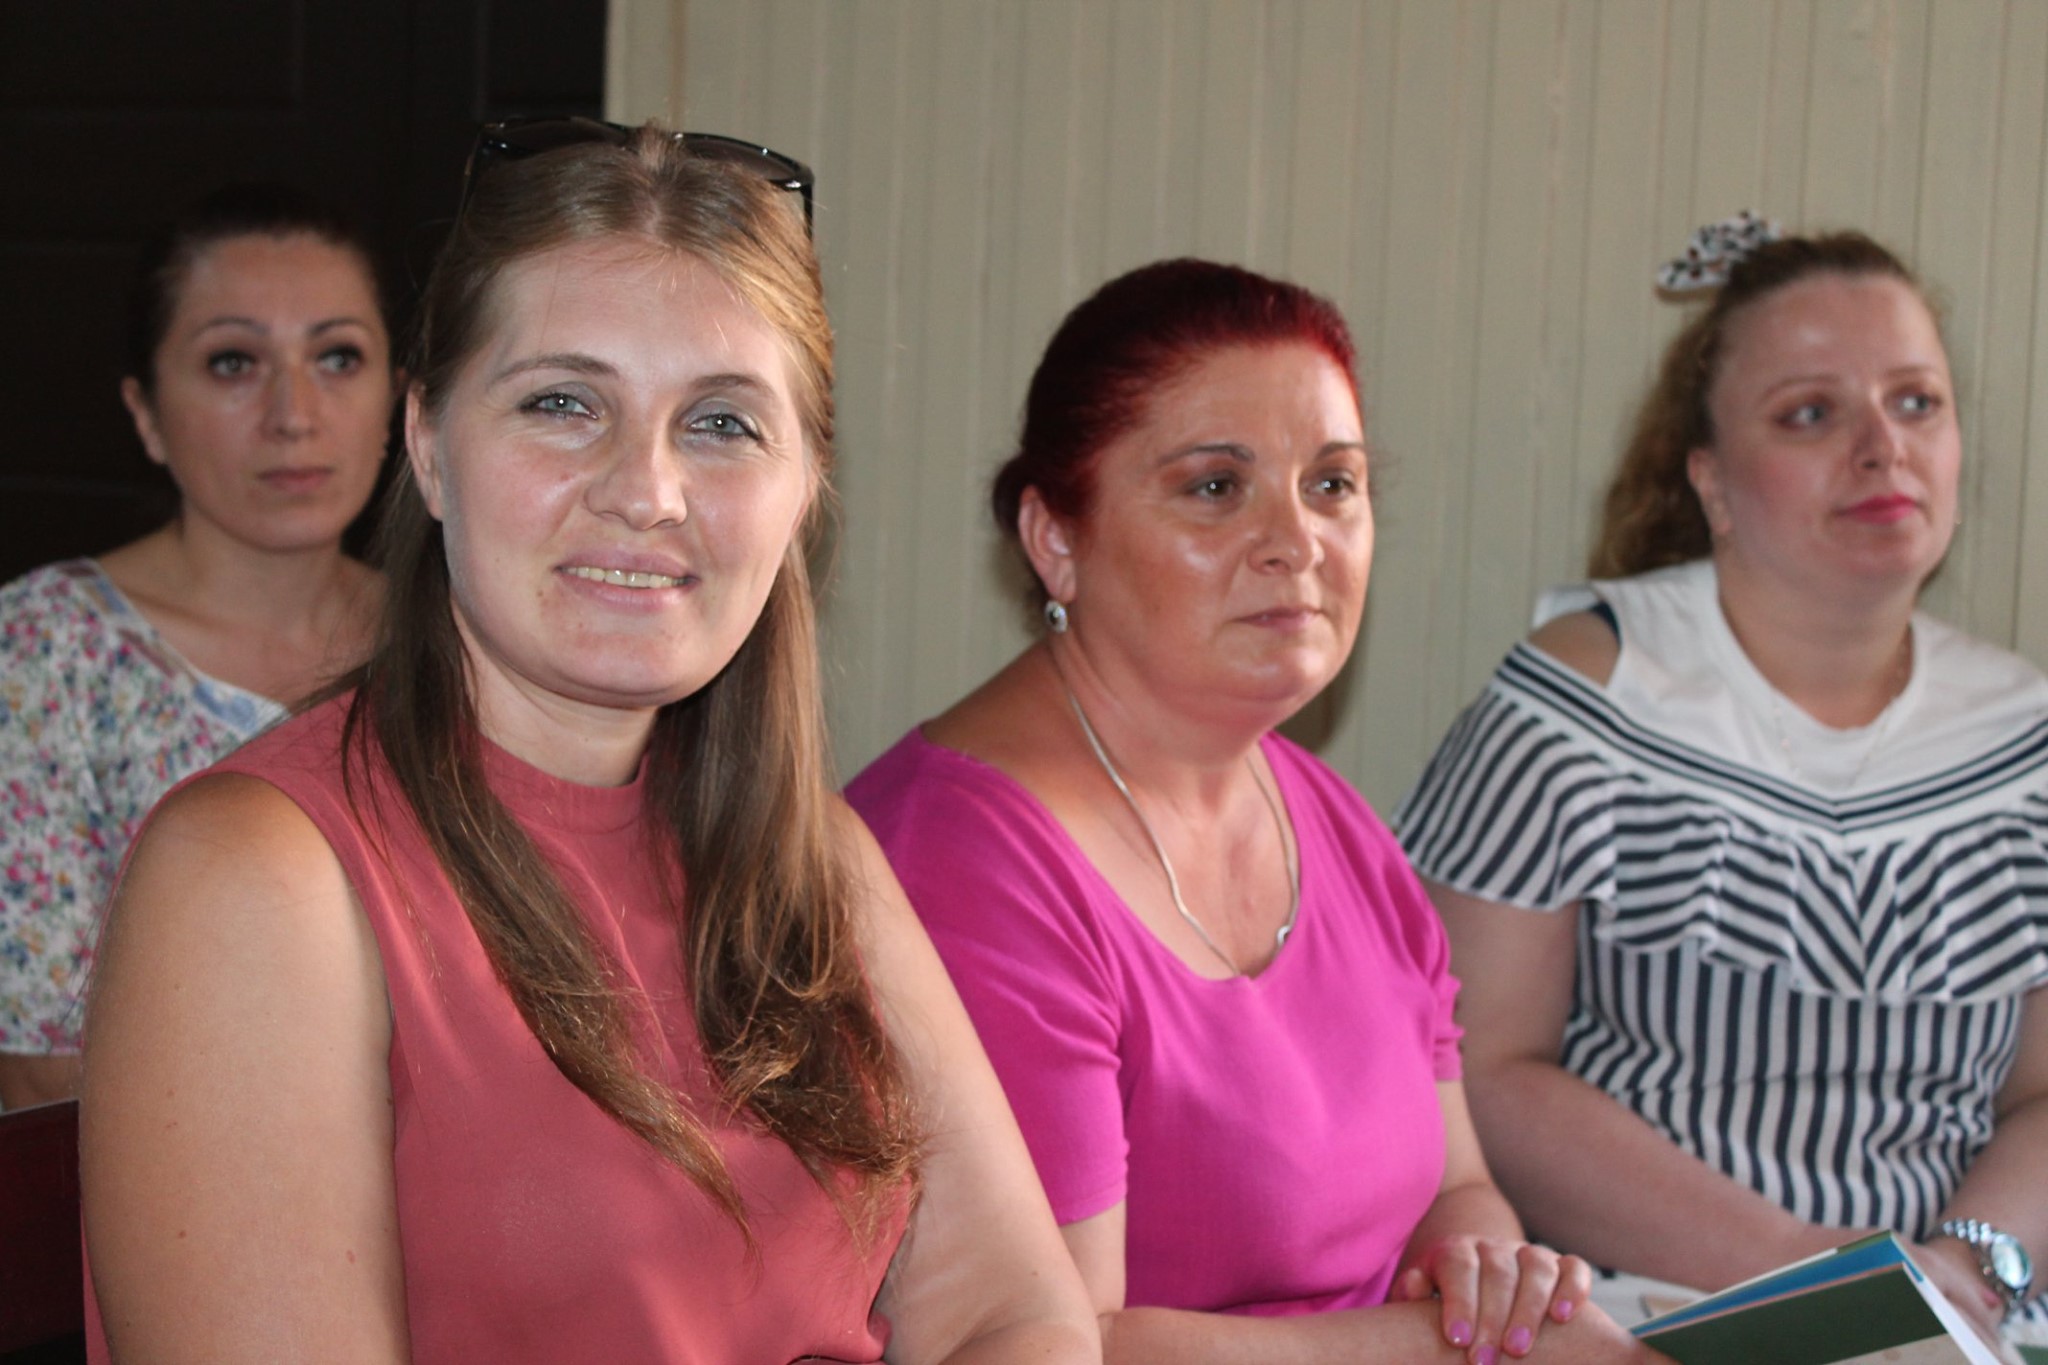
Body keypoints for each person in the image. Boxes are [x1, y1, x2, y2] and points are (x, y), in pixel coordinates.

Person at [79, 120, 1097, 1363]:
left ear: (803, 492)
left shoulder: (815, 859)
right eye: (562, 404)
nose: (646, 492)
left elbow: (1014, 1313)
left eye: (722, 424)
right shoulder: (259, 880)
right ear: (428, 448)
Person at [847, 258, 1664, 1365]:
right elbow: (1051, 1342)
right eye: (1215, 487)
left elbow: (1454, 1184)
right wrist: (1439, 1352)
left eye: (1333, 484)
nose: (1297, 540)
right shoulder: (955, 864)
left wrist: (1487, 1276)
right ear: (1056, 540)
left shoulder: (1329, 816)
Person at [1397, 221, 2048, 1345]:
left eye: (1915, 403)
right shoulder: (1581, 697)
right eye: (1810, 413)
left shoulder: (2021, 735)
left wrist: (1963, 1274)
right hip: (1642, 1314)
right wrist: (1823, 1285)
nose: (1881, 447)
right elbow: (1477, 1068)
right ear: (1710, 480)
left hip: (1963, 1313)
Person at [0, 183, 392, 1109]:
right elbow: (41, 1078)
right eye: (232, 363)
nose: (294, 413)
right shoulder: (43, 653)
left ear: (401, 400)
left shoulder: (466, 640)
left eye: (338, 356)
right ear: (145, 413)